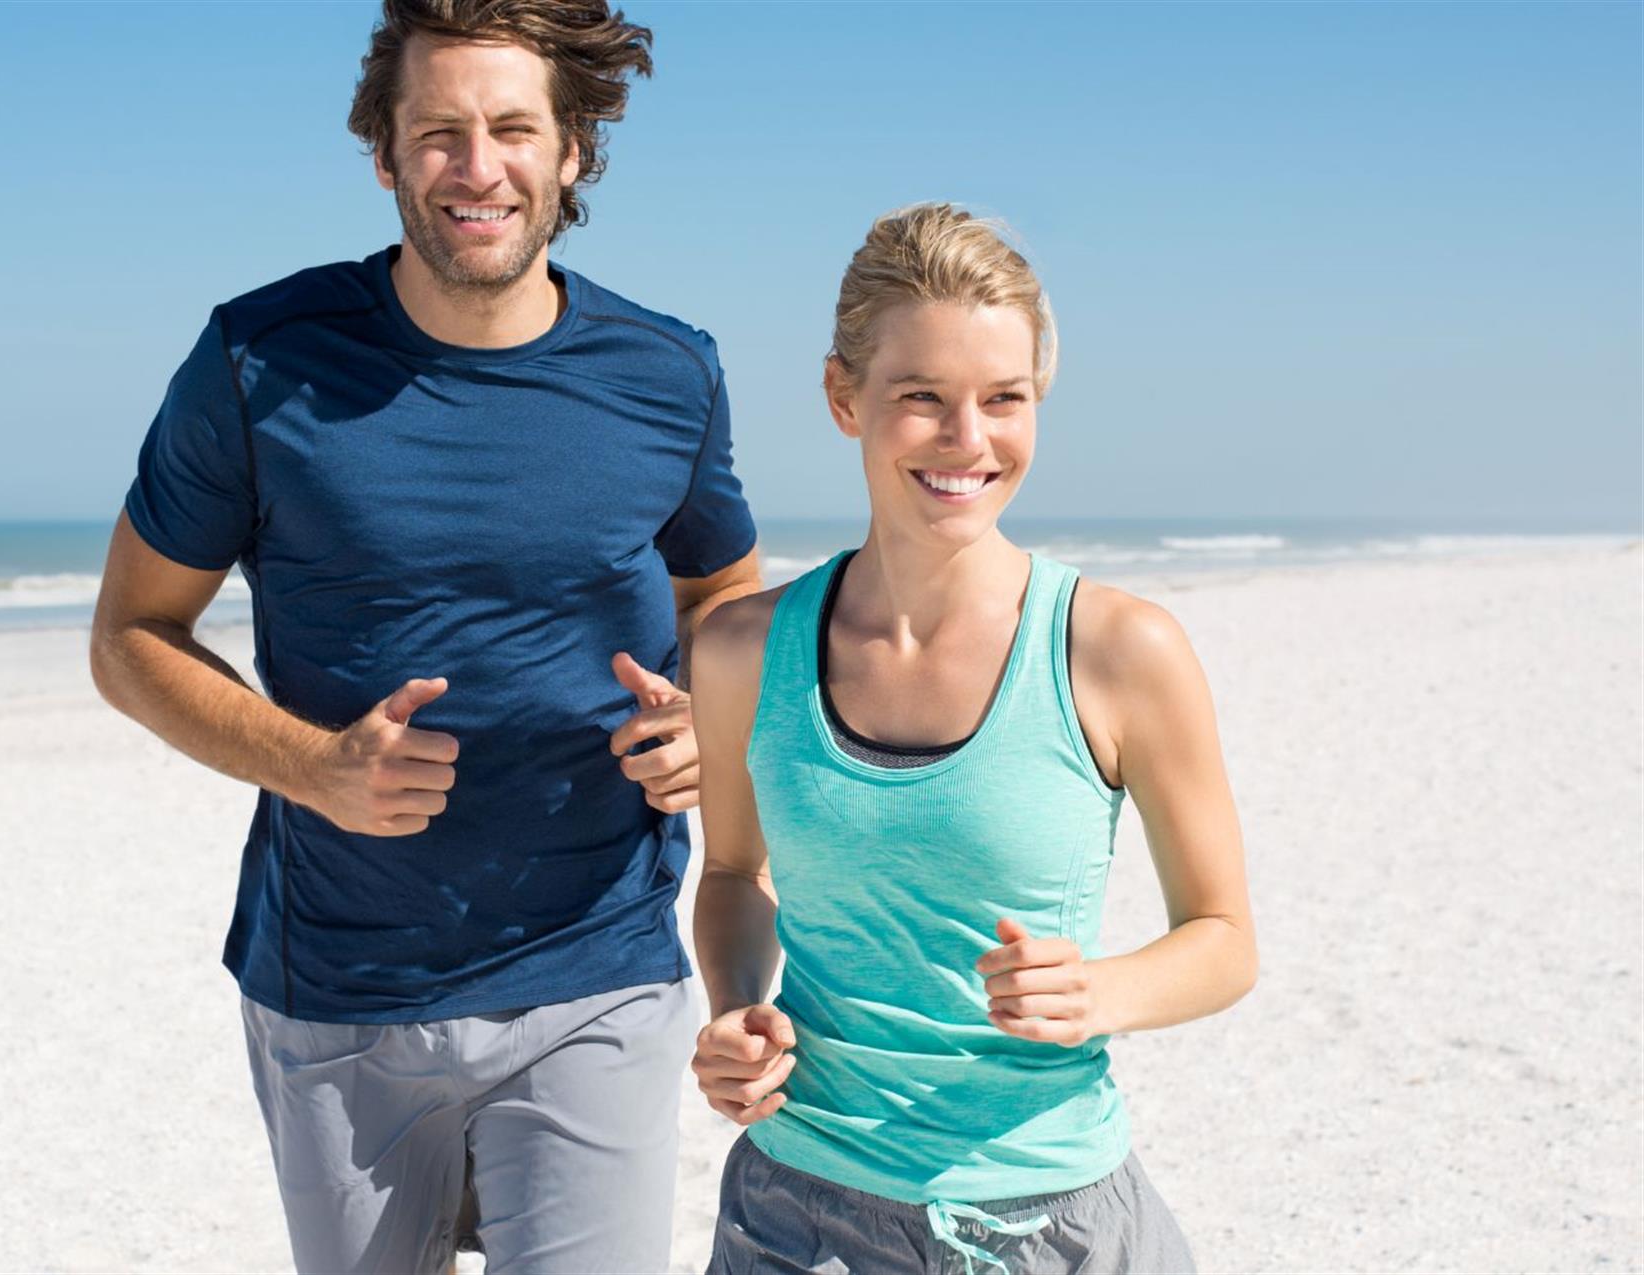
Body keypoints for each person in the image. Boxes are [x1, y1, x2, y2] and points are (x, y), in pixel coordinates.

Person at [88, 2, 761, 1271]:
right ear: (385, 155)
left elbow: (725, 605)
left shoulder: (669, 373)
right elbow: (131, 634)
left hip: (597, 967)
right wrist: (308, 764)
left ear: (572, 152)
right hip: (338, 987)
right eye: (437, 132)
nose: (477, 165)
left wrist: (703, 728)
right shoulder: (260, 360)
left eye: (514, 128)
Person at [688, 203, 1256, 1274]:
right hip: (794, 1215)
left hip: (1046, 1215)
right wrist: (734, 1015)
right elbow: (731, 871)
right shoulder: (740, 651)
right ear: (842, 397)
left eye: (1004, 399)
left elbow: (1225, 937)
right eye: (923, 399)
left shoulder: (1122, 649)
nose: (967, 440)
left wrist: (1102, 991)